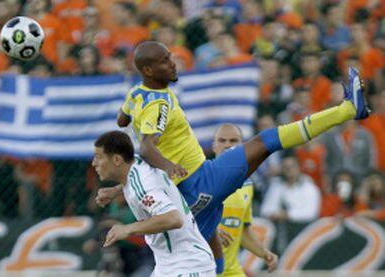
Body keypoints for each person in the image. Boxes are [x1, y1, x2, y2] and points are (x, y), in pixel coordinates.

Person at [97, 41, 369, 273]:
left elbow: (122, 119)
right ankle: (347, 110)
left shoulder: (136, 94)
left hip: (187, 190)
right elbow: (145, 147)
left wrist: (121, 187)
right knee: (266, 141)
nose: (173, 62)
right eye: (165, 61)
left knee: (209, 242)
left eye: (170, 57)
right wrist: (169, 165)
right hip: (199, 183)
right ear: (148, 70)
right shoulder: (159, 103)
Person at [92, 130, 216, 277]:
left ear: (117, 160)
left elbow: (173, 218)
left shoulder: (143, 184)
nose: (94, 163)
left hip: (187, 265)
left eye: (99, 157)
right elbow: (141, 181)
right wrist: (115, 190)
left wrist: (127, 229)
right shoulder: (136, 163)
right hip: (167, 265)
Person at [213, 124, 278, 276]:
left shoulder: (247, 185)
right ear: (214, 146)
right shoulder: (201, 179)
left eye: (233, 141)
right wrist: (210, 230)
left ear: (243, 146)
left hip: (231, 271)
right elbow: (183, 221)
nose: (227, 145)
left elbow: (241, 228)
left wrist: (263, 253)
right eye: (222, 141)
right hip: (202, 269)